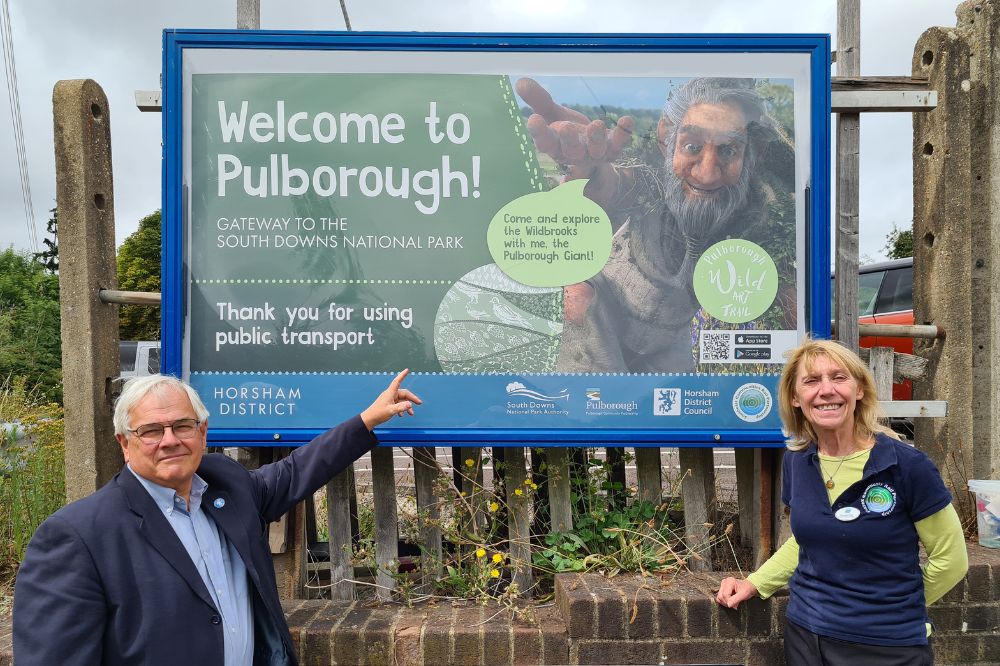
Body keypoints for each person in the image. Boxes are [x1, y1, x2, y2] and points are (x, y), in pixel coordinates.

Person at [13, 370, 420, 666]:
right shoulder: (77, 536)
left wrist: (367, 420)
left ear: (203, 433)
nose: (170, 440)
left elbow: (297, 471)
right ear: (125, 442)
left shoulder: (227, 486)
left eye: (182, 426)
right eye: (152, 430)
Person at [516, 76, 795, 372]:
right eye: (691, 147)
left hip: (679, 353)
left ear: (754, 153)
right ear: (666, 139)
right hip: (604, 345)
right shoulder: (652, 181)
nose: (706, 174)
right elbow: (624, 184)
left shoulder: (770, 214)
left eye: (728, 150)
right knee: (573, 296)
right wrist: (590, 172)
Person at [716, 339, 967, 665]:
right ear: (795, 398)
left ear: (859, 389)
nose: (826, 390)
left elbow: (952, 560)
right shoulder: (797, 461)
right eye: (811, 381)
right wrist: (755, 583)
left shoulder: (907, 466)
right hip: (806, 637)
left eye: (838, 377)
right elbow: (807, 539)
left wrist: (894, 610)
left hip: (887, 646)